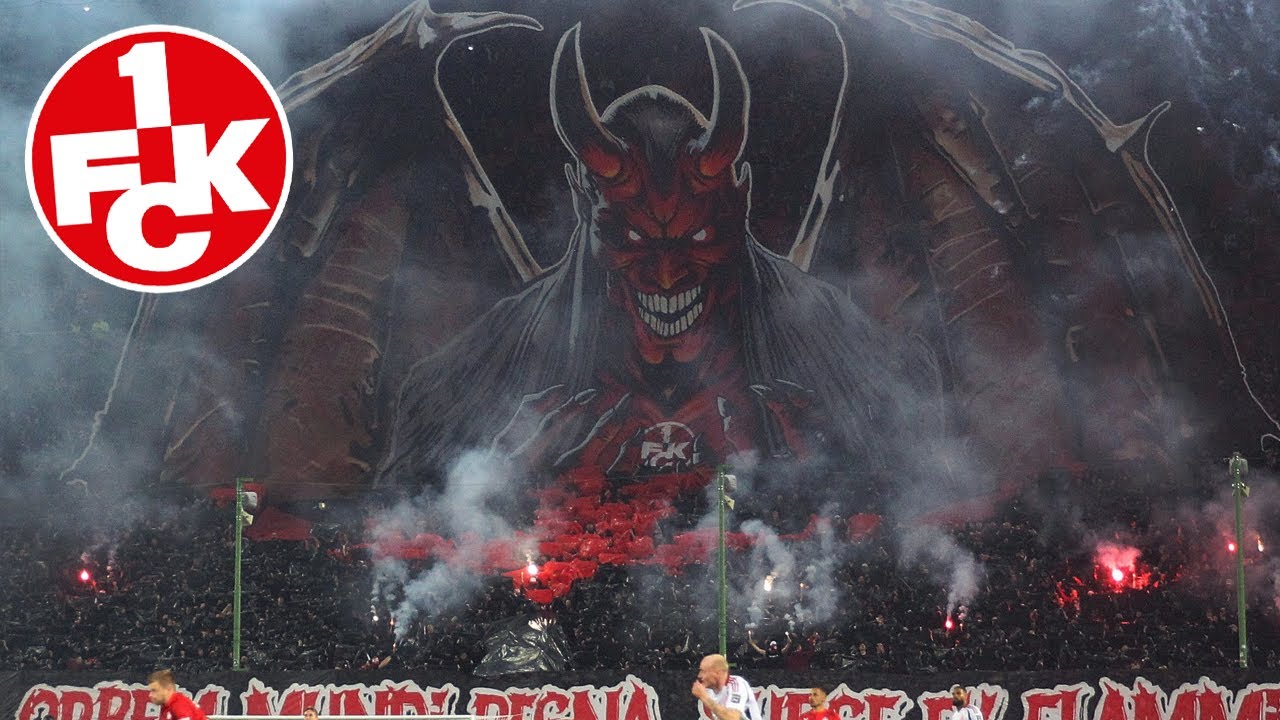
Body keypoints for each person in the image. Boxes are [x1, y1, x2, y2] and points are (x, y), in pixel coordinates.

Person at [692, 654, 761, 720]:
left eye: (703, 671)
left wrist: (705, 698)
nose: (699, 675)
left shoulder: (736, 684)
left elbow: (733, 718)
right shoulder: (709, 691)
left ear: (717, 673)